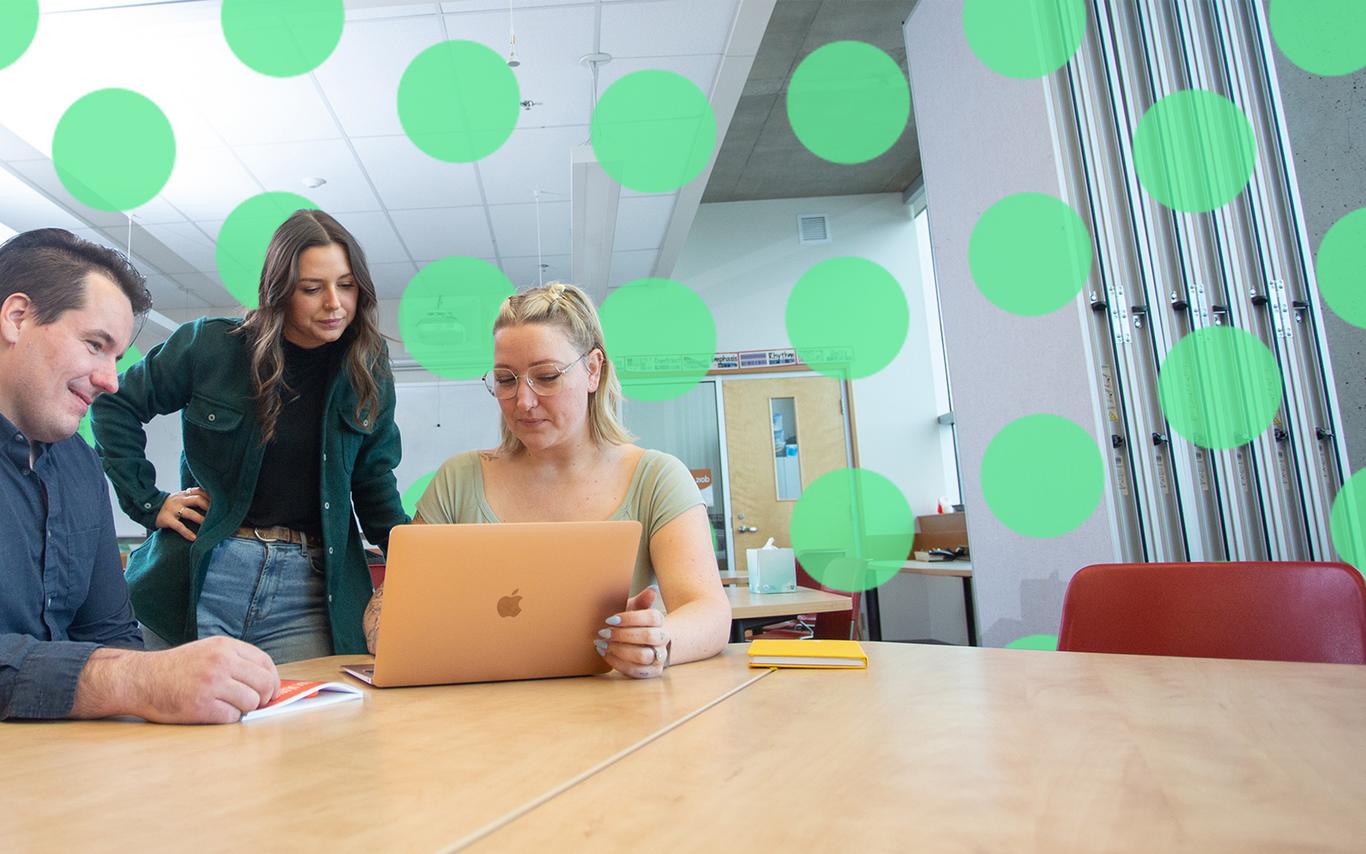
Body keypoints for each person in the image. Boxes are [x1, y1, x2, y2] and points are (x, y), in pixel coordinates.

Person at [362, 282, 730, 678]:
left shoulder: (657, 478)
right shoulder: (459, 480)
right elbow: (390, 602)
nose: (523, 401)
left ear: (593, 370)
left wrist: (659, 640)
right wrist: (389, 632)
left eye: (547, 376)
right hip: (480, 717)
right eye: (506, 380)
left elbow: (709, 611)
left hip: (614, 714)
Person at [91, 210, 407, 663]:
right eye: (312, 289)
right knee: (165, 726)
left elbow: (374, 480)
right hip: (201, 573)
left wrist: (413, 558)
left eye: (347, 285)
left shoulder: (368, 366)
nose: (334, 303)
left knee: (309, 729)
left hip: (310, 588)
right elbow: (114, 403)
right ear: (279, 290)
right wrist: (149, 501)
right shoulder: (210, 346)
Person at [0, 228, 279, 722]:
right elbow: (122, 667)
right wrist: (137, 680)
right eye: (94, 345)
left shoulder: (81, 467)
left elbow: (109, 634)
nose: (110, 381)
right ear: (17, 318)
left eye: (116, 358)